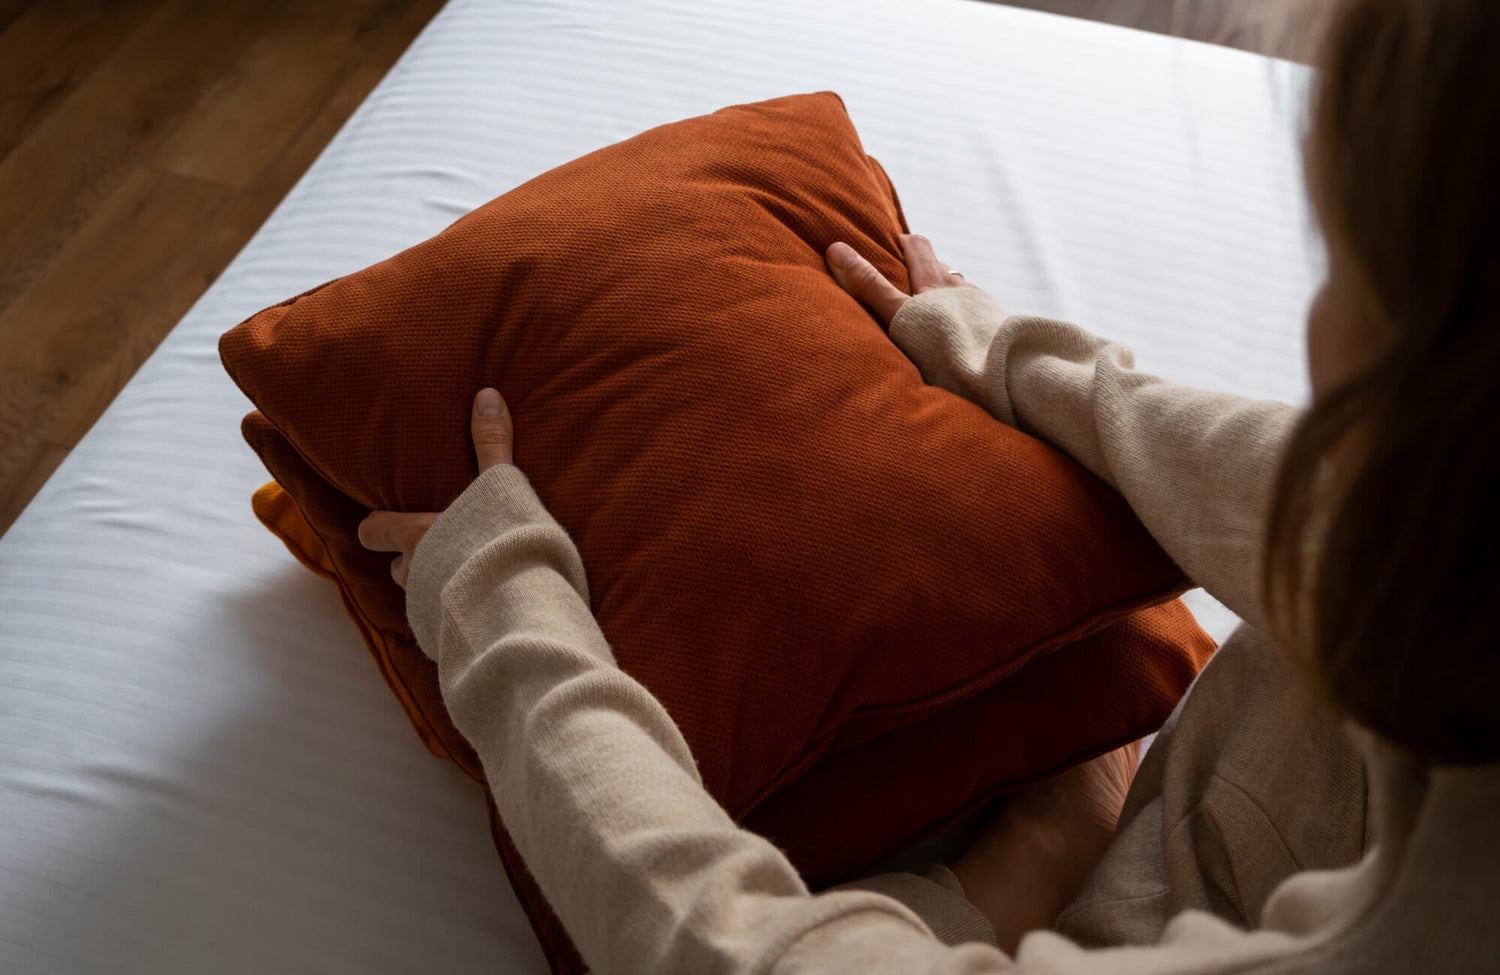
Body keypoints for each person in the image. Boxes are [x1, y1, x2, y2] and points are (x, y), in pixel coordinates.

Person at [355, 0, 1499, 969]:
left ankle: (1044, 861)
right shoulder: (1440, 536)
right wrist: (1006, 357)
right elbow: (1354, 512)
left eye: (1342, 265)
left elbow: (737, 948)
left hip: (1152, 902)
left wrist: (505, 614)